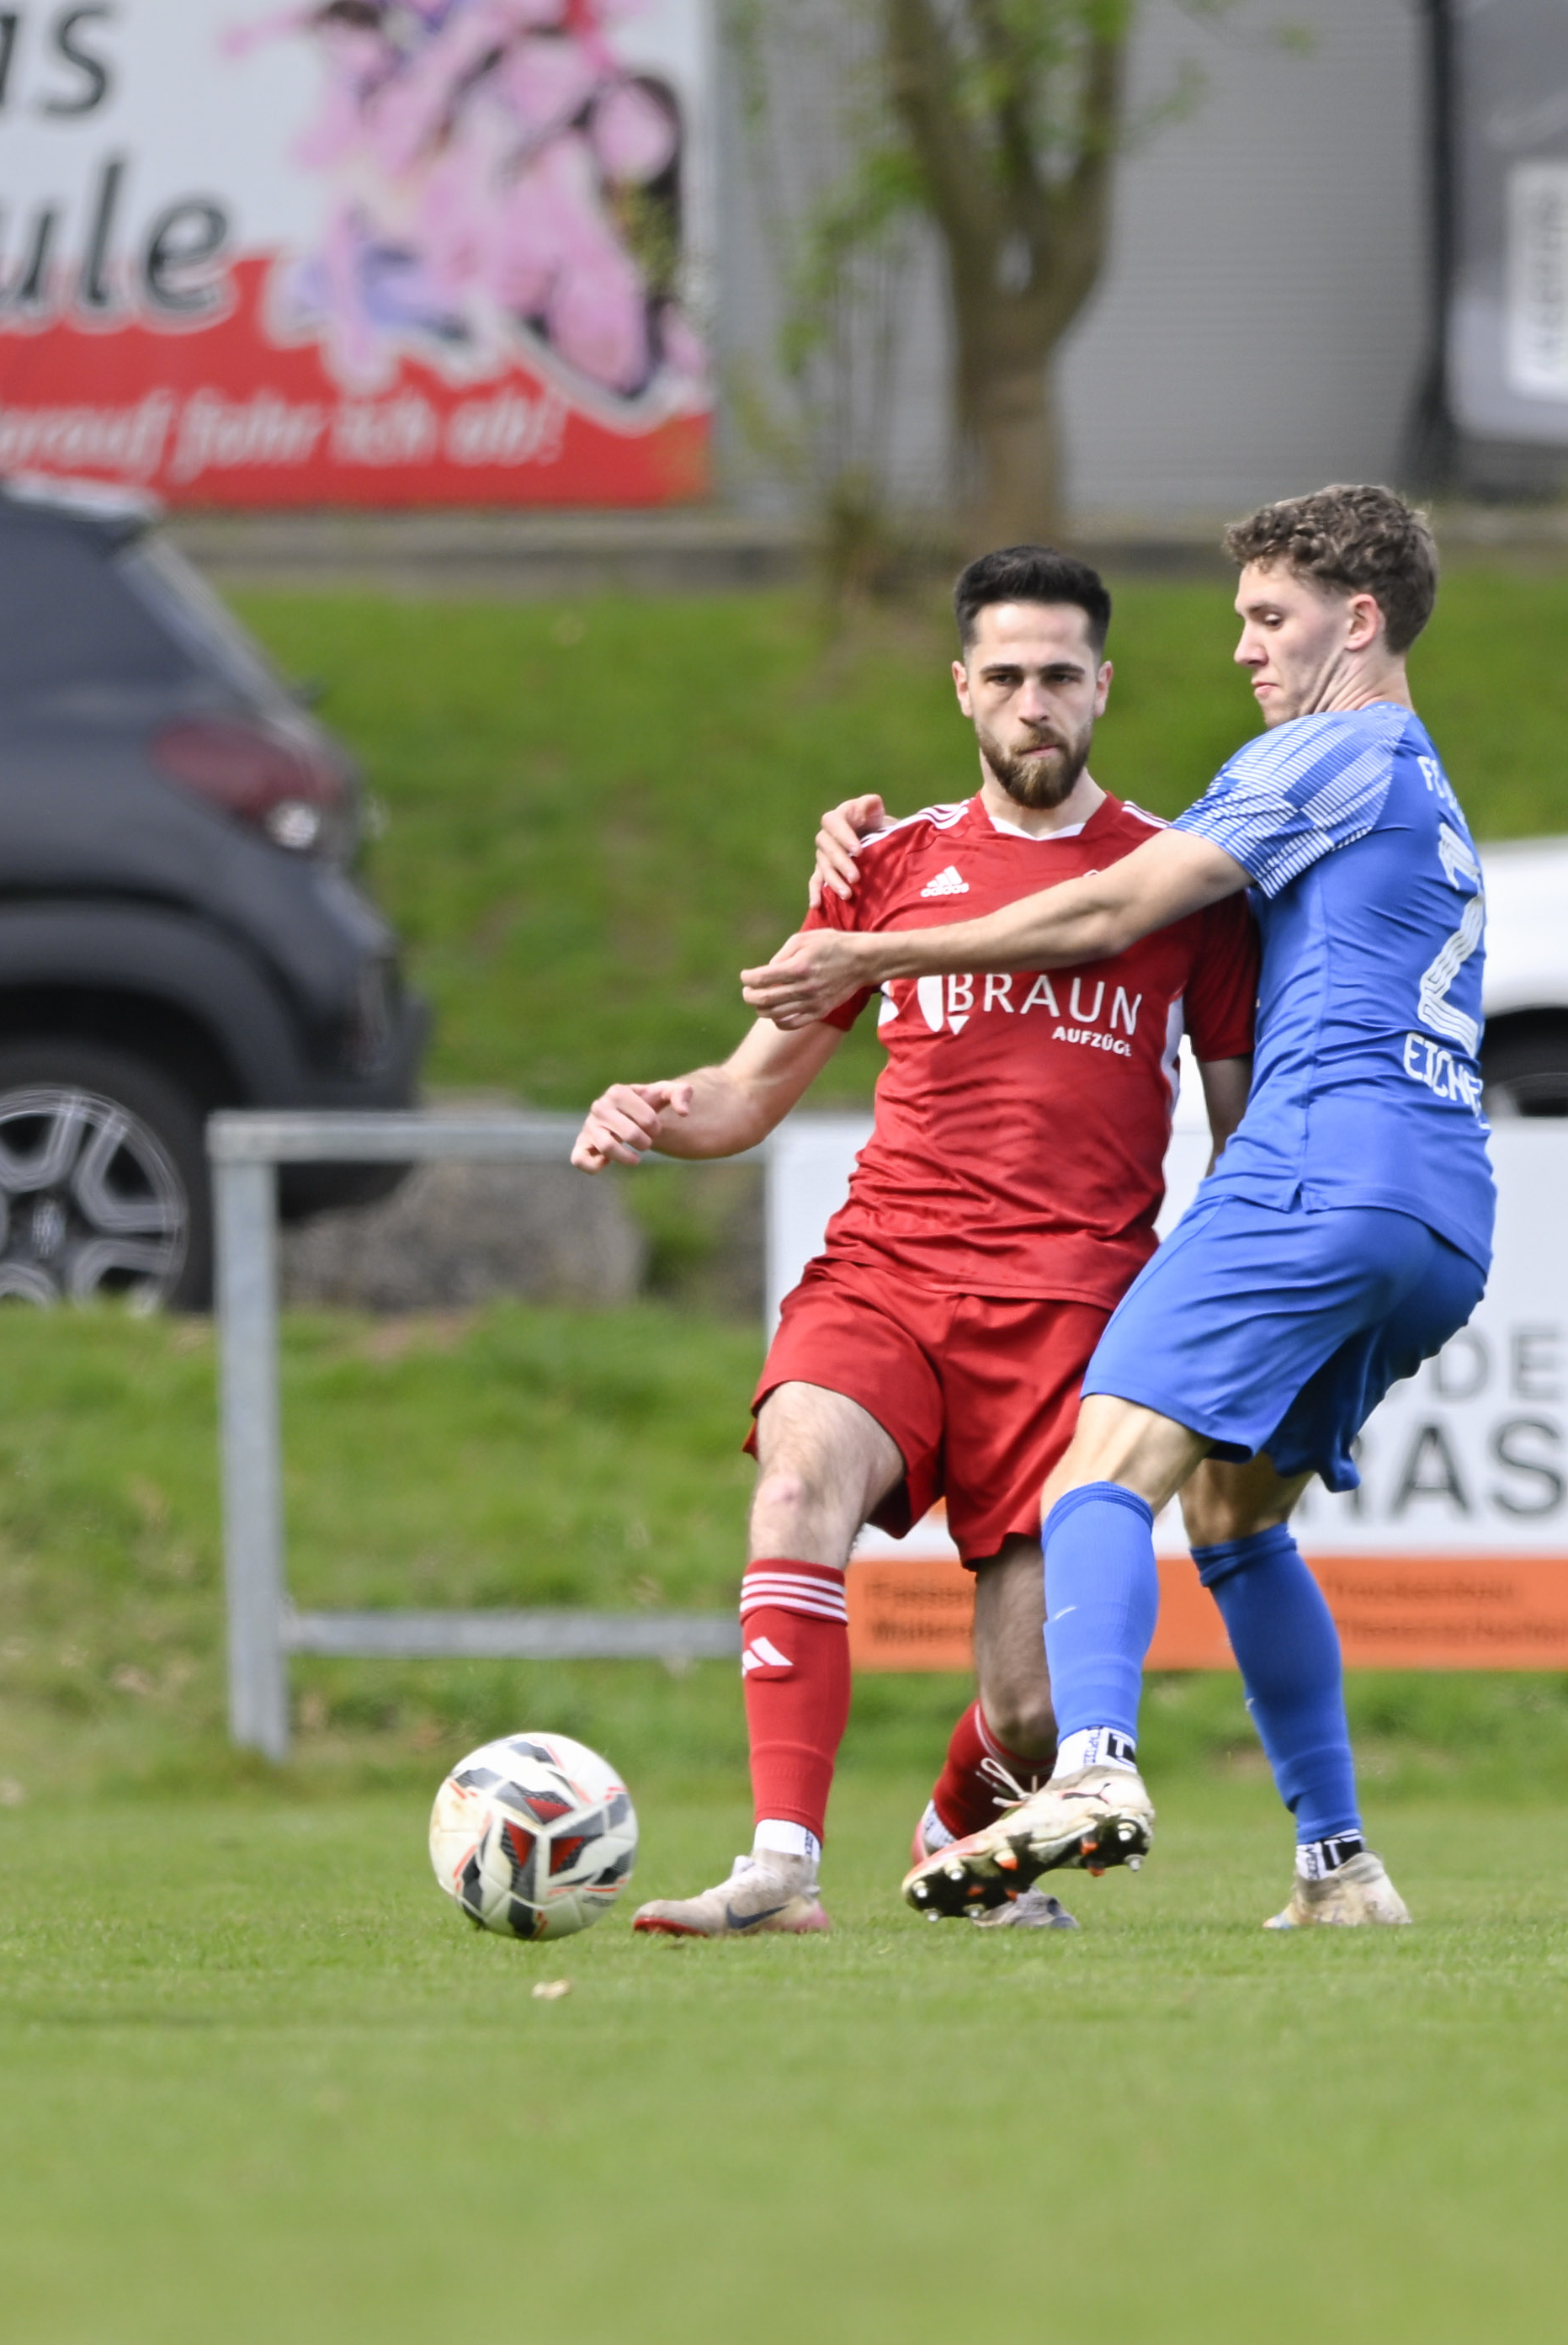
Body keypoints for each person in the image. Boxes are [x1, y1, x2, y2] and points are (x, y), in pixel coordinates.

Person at [750, 484, 1491, 1929]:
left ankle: (1090, 1769)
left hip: (1317, 1168)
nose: (1245, 649)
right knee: (1236, 1517)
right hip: (1444, 1207)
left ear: (1359, 622)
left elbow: (1105, 905)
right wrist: (879, 846)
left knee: (1094, 1474)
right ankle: (1339, 1866)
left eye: (1269, 617)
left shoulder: (1328, 750)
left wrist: (880, 945)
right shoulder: (1424, 784)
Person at [573, 545, 1259, 1938]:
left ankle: (958, 1841)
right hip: (889, 1273)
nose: (1032, 704)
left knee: (1033, 1704)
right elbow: (746, 1091)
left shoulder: (1182, 888)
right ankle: (781, 1866)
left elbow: (1241, 1136)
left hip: (1074, 1308)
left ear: (1105, 686)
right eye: (1004, 676)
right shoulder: (885, 865)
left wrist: (1222, 1310)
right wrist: (652, 1105)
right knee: (795, 1486)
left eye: (1058, 675)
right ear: (960, 688)